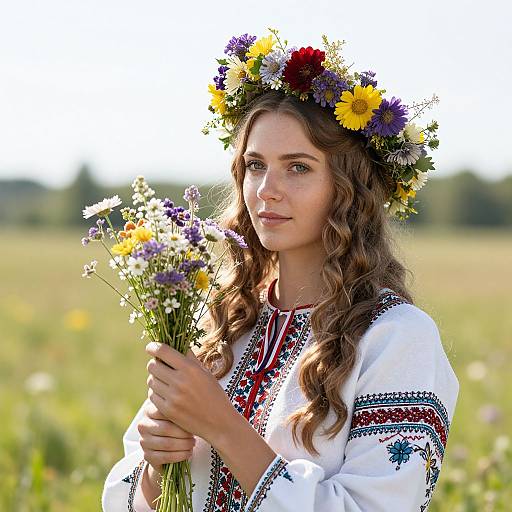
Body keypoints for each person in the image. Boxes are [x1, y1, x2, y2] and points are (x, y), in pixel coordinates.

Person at [102, 30, 458, 512]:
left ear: (347, 188)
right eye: (255, 165)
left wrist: (223, 425)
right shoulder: (220, 324)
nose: (266, 189)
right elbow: (133, 498)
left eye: (298, 167)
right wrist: (154, 469)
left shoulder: (396, 339)